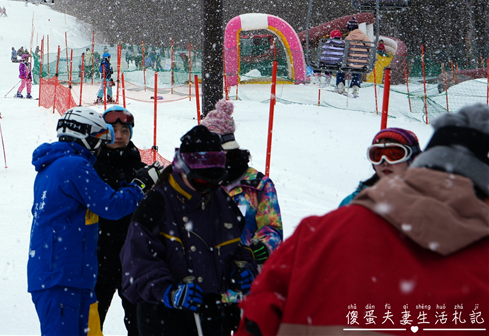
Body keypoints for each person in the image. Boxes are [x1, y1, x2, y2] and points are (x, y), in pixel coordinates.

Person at [237, 104, 489, 336]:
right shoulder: (348, 208)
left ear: (418, 159)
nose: (384, 162)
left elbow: (261, 314)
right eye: (377, 154)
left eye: (394, 153)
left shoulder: (316, 232)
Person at [120, 125, 253, 336]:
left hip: (211, 312)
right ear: (183, 169)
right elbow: (136, 263)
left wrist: (241, 270)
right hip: (163, 317)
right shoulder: (157, 204)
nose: (208, 188)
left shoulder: (220, 201)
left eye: (215, 180)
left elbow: (235, 247)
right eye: (200, 181)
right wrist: (168, 291)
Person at [28, 106, 150, 336]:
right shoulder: (74, 166)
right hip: (64, 275)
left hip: (73, 274)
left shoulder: (56, 165)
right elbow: (111, 206)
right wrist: (140, 186)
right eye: (100, 137)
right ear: (84, 136)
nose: (102, 144)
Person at [201, 99, 283, 330]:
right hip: (206, 288)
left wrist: (259, 248)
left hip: (244, 286)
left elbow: (272, 228)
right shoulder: (196, 181)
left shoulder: (256, 184)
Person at [93, 106, 146, 336]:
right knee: (90, 326)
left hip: (133, 261)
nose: (120, 134)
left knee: (140, 326)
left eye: (125, 129)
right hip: (98, 259)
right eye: (113, 129)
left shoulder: (141, 169)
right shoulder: (91, 168)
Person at [339, 126, 421, 206]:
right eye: (378, 155)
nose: (385, 163)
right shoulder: (353, 202)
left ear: (412, 160)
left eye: (395, 155)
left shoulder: (426, 202)